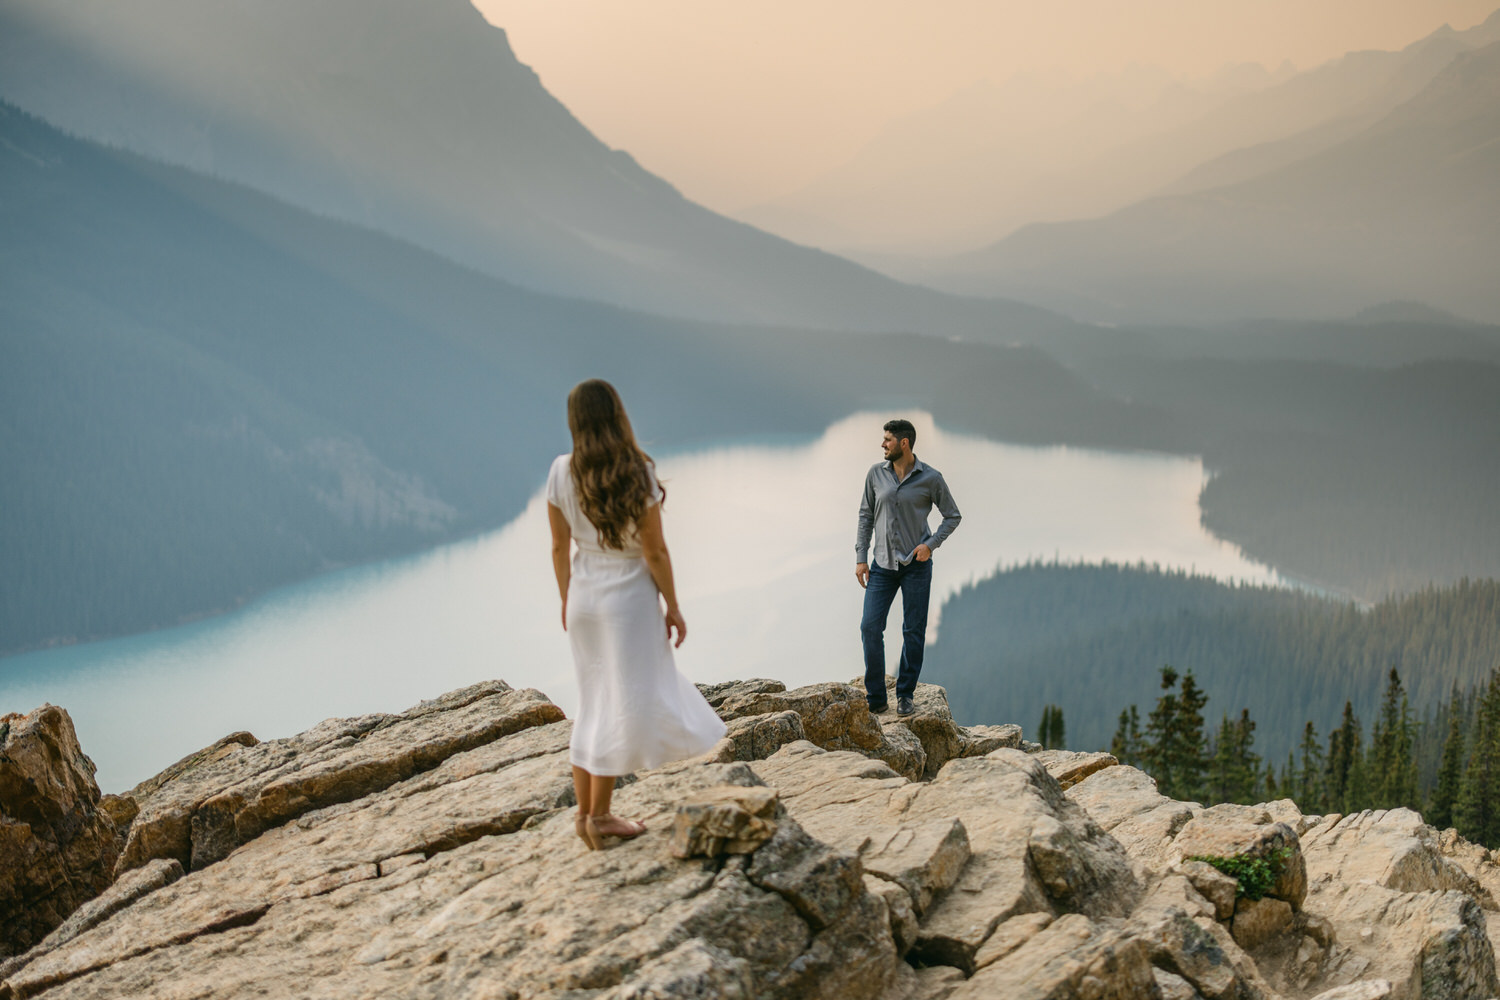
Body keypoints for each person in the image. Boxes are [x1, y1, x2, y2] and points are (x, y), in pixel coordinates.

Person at [546, 379, 727, 850]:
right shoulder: (636, 472)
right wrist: (674, 606)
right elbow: (655, 551)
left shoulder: (561, 472)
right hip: (627, 603)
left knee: (591, 700)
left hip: (584, 599)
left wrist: (567, 598)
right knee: (617, 703)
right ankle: (599, 816)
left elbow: (559, 546)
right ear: (616, 416)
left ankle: (586, 816)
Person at [855, 418, 962, 717]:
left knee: (913, 631)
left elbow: (952, 516)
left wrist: (930, 545)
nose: (882, 444)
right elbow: (865, 516)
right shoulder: (875, 474)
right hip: (882, 566)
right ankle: (876, 696)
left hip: (916, 565)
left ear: (904, 443)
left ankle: (905, 694)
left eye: (887, 439)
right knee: (869, 627)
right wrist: (861, 558)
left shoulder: (931, 478)